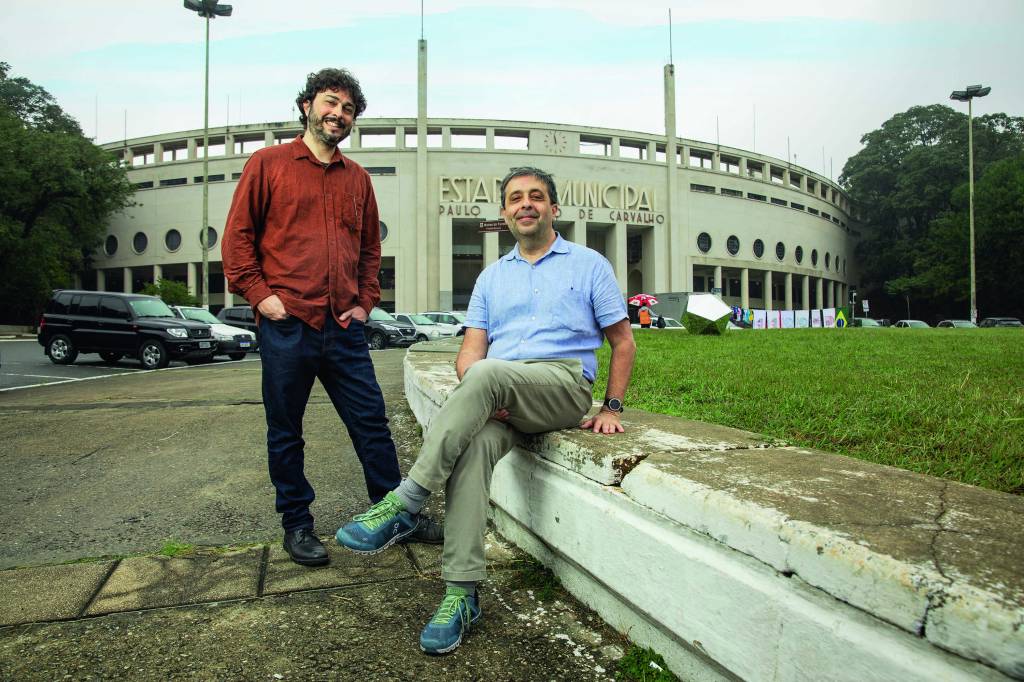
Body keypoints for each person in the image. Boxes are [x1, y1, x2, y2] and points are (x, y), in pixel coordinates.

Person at [336, 167, 636, 654]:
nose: (526, 205)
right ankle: (461, 593)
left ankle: (405, 503)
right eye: (516, 198)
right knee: (472, 448)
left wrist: (613, 406)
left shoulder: (589, 264)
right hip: (502, 394)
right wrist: (485, 393)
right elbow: (470, 354)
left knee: (490, 374)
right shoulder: (492, 278)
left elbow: (623, 343)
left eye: (536, 197)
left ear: (554, 209)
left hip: (561, 386)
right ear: (503, 213)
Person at [221, 68, 440, 568]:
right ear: (306, 106)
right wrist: (262, 297)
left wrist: (364, 304)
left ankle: (393, 516)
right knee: (286, 431)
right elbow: (237, 242)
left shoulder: (358, 179)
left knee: (371, 425)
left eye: (348, 109)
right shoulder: (268, 164)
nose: (338, 114)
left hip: (342, 328)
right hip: (287, 324)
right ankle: (297, 526)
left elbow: (369, 252)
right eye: (330, 102)